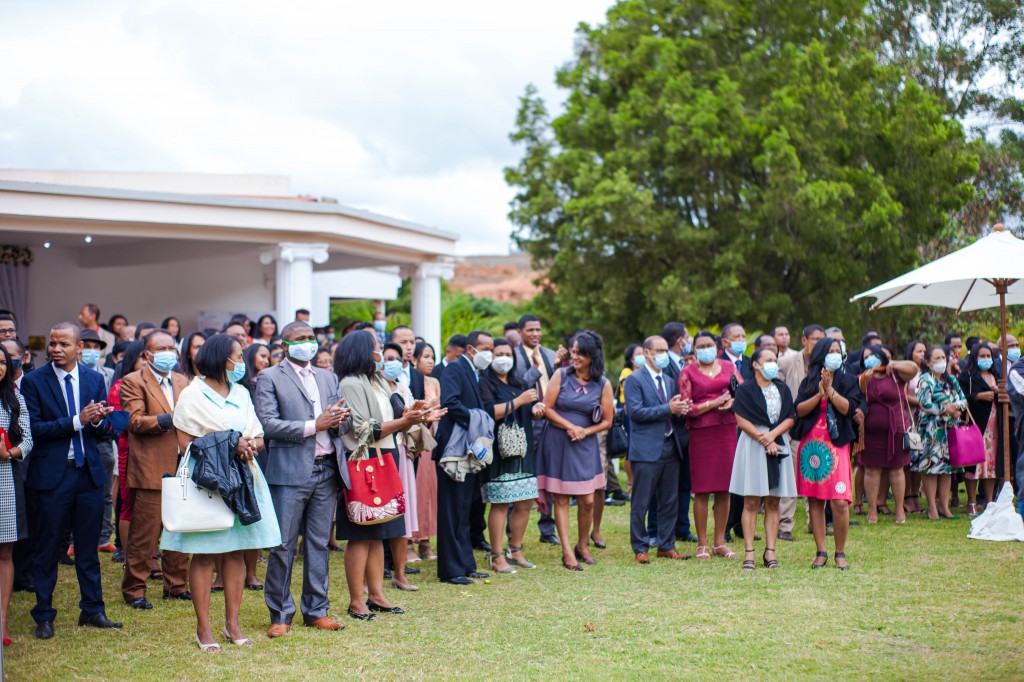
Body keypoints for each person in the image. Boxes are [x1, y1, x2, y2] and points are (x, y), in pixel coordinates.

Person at [162, 333, 282, 652]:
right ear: (221, 359)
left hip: (242, 480)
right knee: (203, 553)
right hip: (207, 483)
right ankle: (204, 629)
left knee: (235, 552)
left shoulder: (242, 392)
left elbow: (257, 436)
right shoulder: (192, 394)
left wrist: (249, 446)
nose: (241, 362)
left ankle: (232, 624)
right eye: (238, 356)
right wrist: (231, 443)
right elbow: (186, 442)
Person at [22, 322, 121, 640]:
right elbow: (35, 430)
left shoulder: (94, 379)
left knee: (88, 547)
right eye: (52, 343)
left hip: (89, 473)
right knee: (48, 548)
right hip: (53, 475)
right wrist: (79, 419)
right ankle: (44, 615)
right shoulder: (34, 382)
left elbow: (100, 431)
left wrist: (102, 420)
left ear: (79, 348)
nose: (55, 349)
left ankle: (92, 610)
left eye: (63, 344)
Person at [255, 321, 352, 637]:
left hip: (326, 470)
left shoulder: (327, 376)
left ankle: (316, 610)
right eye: (300, 339)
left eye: (311, 338)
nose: (307, 343)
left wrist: (338, 421)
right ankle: (280, 613)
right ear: (285, 344)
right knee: (283, 545)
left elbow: (342, 425)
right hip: (290, 471)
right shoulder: (269, 377)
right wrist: (315, 423)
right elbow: (268, 424)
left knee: (318, 543)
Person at [335, 332, 440, 614]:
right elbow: (363, 429)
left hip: (386, 455)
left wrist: (415, 416)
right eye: (377, 349)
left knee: (381, 529)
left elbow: (391, 420)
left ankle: (377, 595)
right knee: (360, 533)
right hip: (363, 460)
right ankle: (357, 600)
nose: (381, 354)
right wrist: (404, 420)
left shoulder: (379, 381)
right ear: (361, 352)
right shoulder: (350, 383)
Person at [118, 329, 191, 609]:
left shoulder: (183, 381)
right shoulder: (133, 381)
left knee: (179, 528)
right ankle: (135, 588)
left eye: (171, 348)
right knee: (144, 534)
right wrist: (170, 419)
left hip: (183, 463)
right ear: (147, 354)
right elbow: (134, 421)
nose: (167, 353)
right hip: (150, 466)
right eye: (160, 349)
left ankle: (176, 584)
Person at [536, 330, 614, 570]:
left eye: (581, 352)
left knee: (588, 500)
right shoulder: (561, 374)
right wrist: (571, 426)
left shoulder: (603, 383)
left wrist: (584, 432)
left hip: (585, 443)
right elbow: (547, 408)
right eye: (573, 351)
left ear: (592, 355)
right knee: (561, 496)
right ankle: (567, 551)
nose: (575, 355)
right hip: (559, 440)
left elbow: (607, 421)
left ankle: (582, 544)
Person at [792, 338, 860, 570]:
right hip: (812, 446)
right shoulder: (809, 381)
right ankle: (821, 551)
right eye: (829, 351)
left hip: (837, 445)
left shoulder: (848, 380)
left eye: (837, 351)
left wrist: (830, 390)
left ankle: (840, 552)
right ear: (820, 355)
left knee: (840, 501)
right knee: (815, 499)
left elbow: (848, 409)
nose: (834, 354)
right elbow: (799, 410)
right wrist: (819, 394)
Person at [623, 335, 691, 564]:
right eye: (659, 350)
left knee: (669, 500)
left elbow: (671, 413)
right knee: (641, 501)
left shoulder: (670, 380)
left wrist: (680, 410)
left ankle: (666, 545)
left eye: (665, 350)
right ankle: (640, 547)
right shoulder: (634, 379)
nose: (663, 354)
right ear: (647, 352)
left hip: (671, 448)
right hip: (646, 450)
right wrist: (668, 408)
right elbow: (635, 413)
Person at [434, 330, 493, 583]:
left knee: (465, 508)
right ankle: (451, 570)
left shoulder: (474, 371)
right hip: (454, 450)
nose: (489, 353)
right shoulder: (455, 369)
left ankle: (466, 564)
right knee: (451, 510)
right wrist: (478, 420)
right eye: (486, 348)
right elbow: (450, 402)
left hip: (468, 451)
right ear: (470, 349)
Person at [479, 339, 543, 573]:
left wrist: (535, 409)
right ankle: (496, 556)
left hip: (523, 451)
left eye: (508, 353)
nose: (504, 358)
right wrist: (520, 401)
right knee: (501, 503)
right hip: (499, 452)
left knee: (525, 502)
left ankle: (515, 549)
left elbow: (526, 410)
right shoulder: (485, 383)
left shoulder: (518, 383)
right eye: (499, 353)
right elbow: (489, 412)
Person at [730, 348, 796, 570]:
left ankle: (770, 551)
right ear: (756, 365)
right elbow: (741, 420)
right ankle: (749, 552)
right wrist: (765, 440)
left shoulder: (782, 389)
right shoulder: (745, 389)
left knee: (773, 501)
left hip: (778, 442)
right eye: (768, 360)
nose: (773, 364)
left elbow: (790, 417)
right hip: (754, 444)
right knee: (751, 500)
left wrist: (773, 436)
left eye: (775, 361)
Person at [677, 330, 738, 559]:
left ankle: (719, 542)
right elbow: (686, 407)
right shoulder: (687, 372)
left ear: (717, 346)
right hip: (701, 433)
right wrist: (714, 403)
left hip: (726, 430)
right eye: (700, 346)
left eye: (708, 344)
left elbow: (740, 393)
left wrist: (731, 401)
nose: (705, 349)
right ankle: (702, 543)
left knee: (724, 488)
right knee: (701, 490)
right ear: (694, 349)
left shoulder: (729, 368)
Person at [514, 315, 568, 546]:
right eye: (530, 330)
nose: (536, 334)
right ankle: (513, 531)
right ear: (520, 331)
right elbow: (518, 386)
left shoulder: (548, 353)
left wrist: (557, 364)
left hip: (550, 421)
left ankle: (547, 529)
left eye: (538, 329)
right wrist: (535, 368)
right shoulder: (512, 356)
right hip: (526, 421)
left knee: (550, 474)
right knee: (521, 474)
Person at [858, 345, 919, 525]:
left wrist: (894, 364)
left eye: (873, 355)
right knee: (871, 469)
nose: (869, 359)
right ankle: (872, 510)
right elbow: (861, 393)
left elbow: (914, 369)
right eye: (866, 356)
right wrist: (865, 380)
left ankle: (900, 510)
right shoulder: (863, 376)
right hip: (871, 430)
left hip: (897, 427)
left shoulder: (895, 374)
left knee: (896, 469)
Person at [777, 323, 826, 541]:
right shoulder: (788, 362)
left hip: (818, 430)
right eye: (814, 339)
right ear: (804, 340)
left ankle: (813, 523)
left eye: (821, 339)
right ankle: (785, 525)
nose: (817, 343)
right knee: (790, 476)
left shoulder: (827, 364)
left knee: (815, 475)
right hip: (793, 427)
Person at [379, 342, 422, 589]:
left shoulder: (403, 387)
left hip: (402, 451)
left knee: (401, 513)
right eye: (387, 358)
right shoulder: (373, 388)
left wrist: (423, 415)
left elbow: (411, 418)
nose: (392, 362)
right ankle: (377, 570)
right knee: (382, 510)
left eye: (396, 358)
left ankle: (400, 573)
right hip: (382, 451)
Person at [0, 342, 32, 644]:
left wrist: (9, 453)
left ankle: (3, 621)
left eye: (1, 362)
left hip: (4, 480)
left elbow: (28, 440)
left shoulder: (14, 399)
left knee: (5, 550)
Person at [913, 346, 969, 521]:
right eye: (936, 358)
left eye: (943, 357)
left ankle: (944, 507)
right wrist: (946, 410)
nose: (941, 361)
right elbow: (924, 403)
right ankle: (932, 507)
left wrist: (957, 408)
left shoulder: (951, 380)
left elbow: (963, 399)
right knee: (931, 468)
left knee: (947, 469)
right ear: (928, 363)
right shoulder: (925, 380)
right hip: (931, 430)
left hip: (950, 430)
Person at [79, 328, 117, 552]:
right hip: (76, 437)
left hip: (102, 437)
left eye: (96, 347)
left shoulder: (109, 374)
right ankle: (74, 540)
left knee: (104, 492)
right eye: (88, 346)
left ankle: (103, 538)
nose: (92, 351)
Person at [659, 321, 696, 542]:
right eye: (688, 337)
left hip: (687, 434)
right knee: (662, 487)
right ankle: (657, 529)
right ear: (680, 340)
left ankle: (682, 526)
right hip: (669, 432)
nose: (690, 342)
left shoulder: (686, 364)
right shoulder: (664, 367)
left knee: (685, 483)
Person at [959, 343, 1001, 515]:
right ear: (974, 358)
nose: (986, 359)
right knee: (973, 464)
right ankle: (971, 502)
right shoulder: (966, 376)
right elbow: (960, 398)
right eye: (982, 356)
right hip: (976, 426)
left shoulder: (995, 375)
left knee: (991, 465)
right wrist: (978, 396)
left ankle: (989, 501)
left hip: (994, 426)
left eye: (988, 356)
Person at [412, 341, 440, 560]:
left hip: (431, 440)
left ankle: (426, 541)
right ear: (415, 359)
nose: (430, 361)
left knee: (430, 492)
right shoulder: (410, 380)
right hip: (414, 439)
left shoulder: (435, 382)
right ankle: (410, 542)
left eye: (432, 356)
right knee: (416, 491)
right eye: (426, 356)